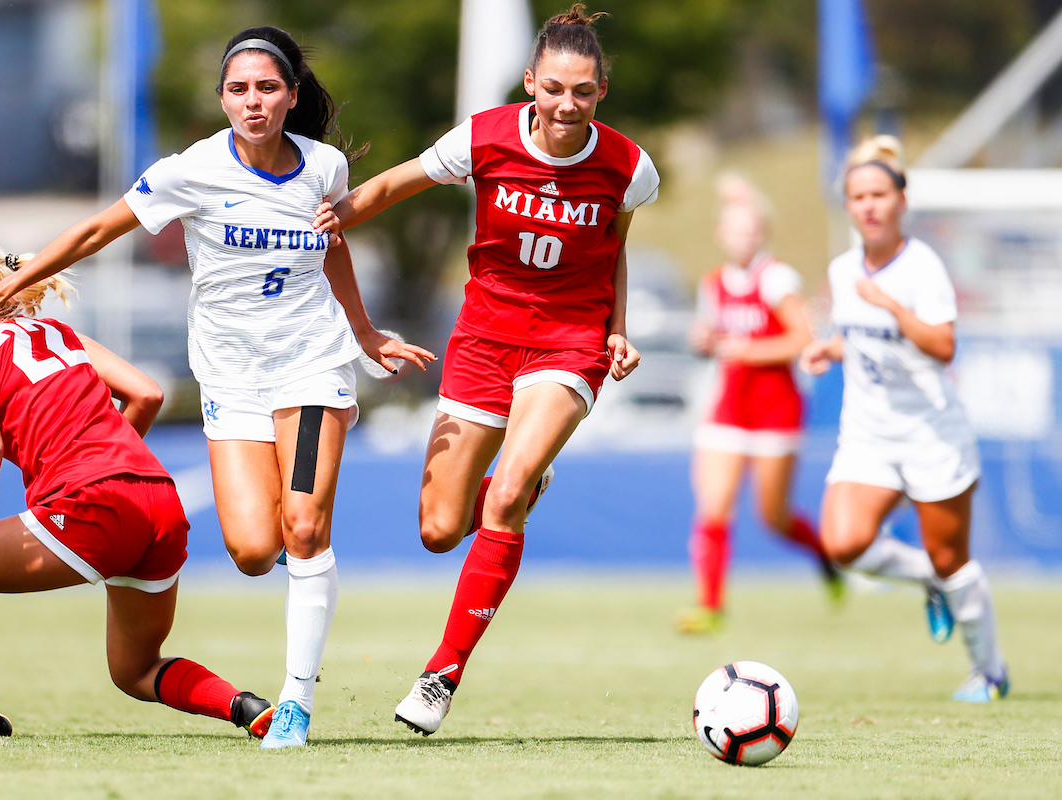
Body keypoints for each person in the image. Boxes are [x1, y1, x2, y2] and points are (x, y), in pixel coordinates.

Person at [0, 26, 434, 748]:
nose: (253, 102)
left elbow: (333, 243)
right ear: (222, 98)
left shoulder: (323, 166)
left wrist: (363, 331)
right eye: (238, 89)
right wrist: (10, 286)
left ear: (292, 96)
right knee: (253, 550)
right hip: (231, 375)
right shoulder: (191, 170)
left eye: (267, 88)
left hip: (311, 366)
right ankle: (298, 547)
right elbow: (97, 230)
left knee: (303, 528)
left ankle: (295, 703)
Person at [333, 4, 659, 735]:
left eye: (583, 91)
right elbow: (391, 187)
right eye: (555, 89)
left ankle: (440, 676)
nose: (567, 105)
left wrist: (617, 329)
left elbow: (615, 248)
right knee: (439, 529)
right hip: (484, 338)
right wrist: (332, 216)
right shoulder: (483, 137)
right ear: (530, 83)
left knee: (504, 497)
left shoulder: (629, 167)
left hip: (568, 342)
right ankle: (527, 477)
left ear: (602, 90)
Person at [0, 240, 275, 739]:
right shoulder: (58, 333)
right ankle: (245, 707)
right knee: (135, 669)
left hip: (91, 504)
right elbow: (147, 393)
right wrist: (110, 466)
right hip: (157, 498)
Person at [800, 135, 1008, 702]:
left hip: (931, 434)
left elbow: (943, 345)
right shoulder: (844, 270)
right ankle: (930, 583)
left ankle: (989, 671)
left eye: (879, 195)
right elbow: (861, 337)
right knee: (843, 543)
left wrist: (890, 305)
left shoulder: (923, 268)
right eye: (858, 196)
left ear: (901, 201)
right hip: (869, 433)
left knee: (951, 558)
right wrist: (830, 348)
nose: (869, 206)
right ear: (848, 206)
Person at [679, 176, 840, 634]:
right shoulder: (713, 284)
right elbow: (715, 340)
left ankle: (825, 556)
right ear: (720, 235)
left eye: (751, 229)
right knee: (713, 507)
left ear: (763, 233)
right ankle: (710, 607)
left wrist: (744, 349)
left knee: (774, 517)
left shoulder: (776, 279)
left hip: (775, 410)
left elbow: (803, 338)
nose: (743, 237)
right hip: (729, 407)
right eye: (735, 229)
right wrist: (703, 341)